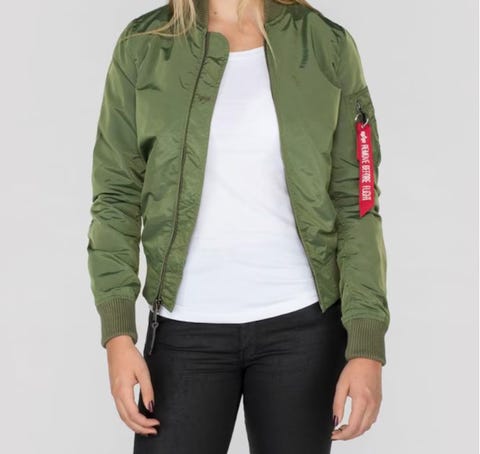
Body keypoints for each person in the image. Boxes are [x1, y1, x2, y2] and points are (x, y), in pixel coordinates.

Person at [86, 0, 390, 452]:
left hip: (303, 330)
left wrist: (366, 344)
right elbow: (116, 198)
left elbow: (357, 202)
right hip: (184, 331)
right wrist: (118, 335)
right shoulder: (143, 46)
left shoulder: (325, 44)